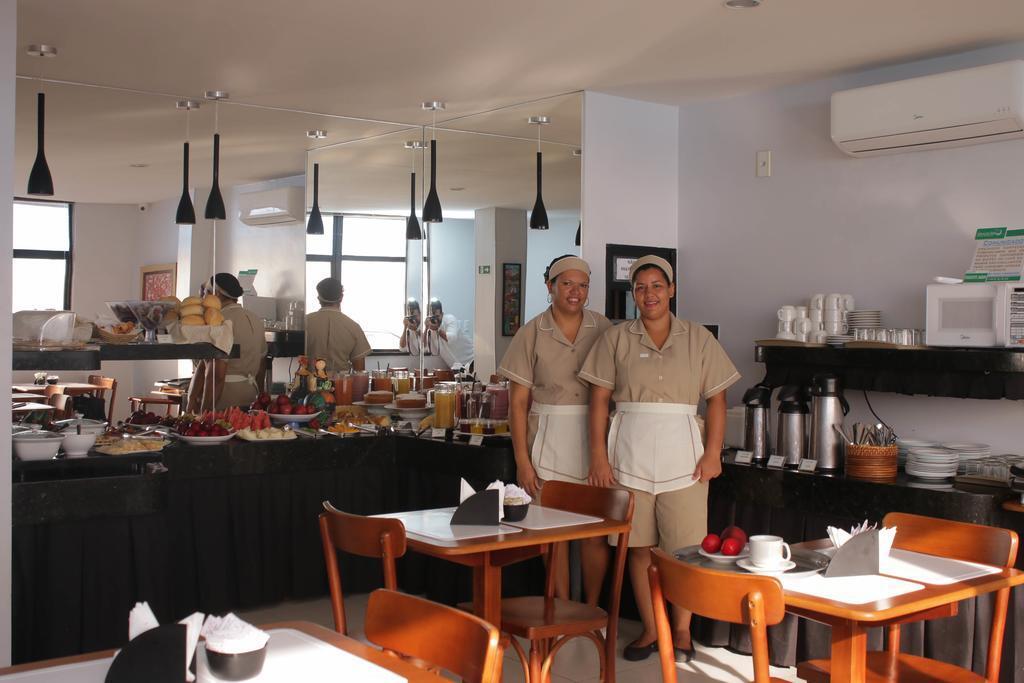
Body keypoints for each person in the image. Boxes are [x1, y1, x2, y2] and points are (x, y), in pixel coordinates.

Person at [578, 254, 740, 663]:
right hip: (628, 455)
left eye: (656, 286)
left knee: (686, 552)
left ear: (671, 290)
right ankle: (652, 629)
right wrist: (599, 456)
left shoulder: (698, 338)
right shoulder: (616, 339)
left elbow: (717, 400)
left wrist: (713, 453)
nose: (648, 294)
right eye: (640, 287)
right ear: (632, 294)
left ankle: (681, 631)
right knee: (639, 549)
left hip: (685, 459)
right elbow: (598, 401)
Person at [497, 255, 613, 601]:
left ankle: (592, 610)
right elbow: (518, 404)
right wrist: (523, 462)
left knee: (595, 532)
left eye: (582, 285)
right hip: (548, 438)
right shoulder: (531, 332)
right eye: (567, 284)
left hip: (596, 439)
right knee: (552, 534)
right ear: (550, 286)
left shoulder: (604, 328)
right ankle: (561, 608)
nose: (575, 292)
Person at [187, 273, 268, 412]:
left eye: (206, 293)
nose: (203, 298)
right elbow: (262, 365)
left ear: (216, 294)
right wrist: (259, 398)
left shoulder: (219, 321)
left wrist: (204, 413)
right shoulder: (255, 319)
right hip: (250, 395)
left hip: (223, 398)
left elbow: (216, 376)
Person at [305, 277, 372, 374]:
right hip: (341, 381)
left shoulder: (304, 322)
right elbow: (359, 371)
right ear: (341, 297)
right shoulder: (353, 327)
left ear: (319, 298)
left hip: (309, 380)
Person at [425, 297, 474, 370]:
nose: (435, 320)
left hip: (472, 361)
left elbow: (451, 338)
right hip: (458, 368)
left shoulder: (450, 319)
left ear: (442, 314)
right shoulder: (431, 330)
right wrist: (426, 328)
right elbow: (424, 348)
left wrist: (438, 329)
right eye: (432, 317)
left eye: (437, 316)